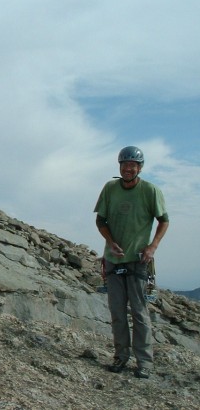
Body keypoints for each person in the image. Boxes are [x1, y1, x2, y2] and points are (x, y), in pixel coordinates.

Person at [94, 146, 169, 379]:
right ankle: (121, 357)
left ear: (140, 168)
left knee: (139, 312)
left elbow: (164, 220)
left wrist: (152, 246)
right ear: (120, 166)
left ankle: (144, 362)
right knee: (117, 311)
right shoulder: (110, 189)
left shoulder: (150, 190)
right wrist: (110, 240)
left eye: (133, 165)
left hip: (138, 260)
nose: (128, 168)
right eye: (125, 164)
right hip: (113, 259)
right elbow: (100, 220)